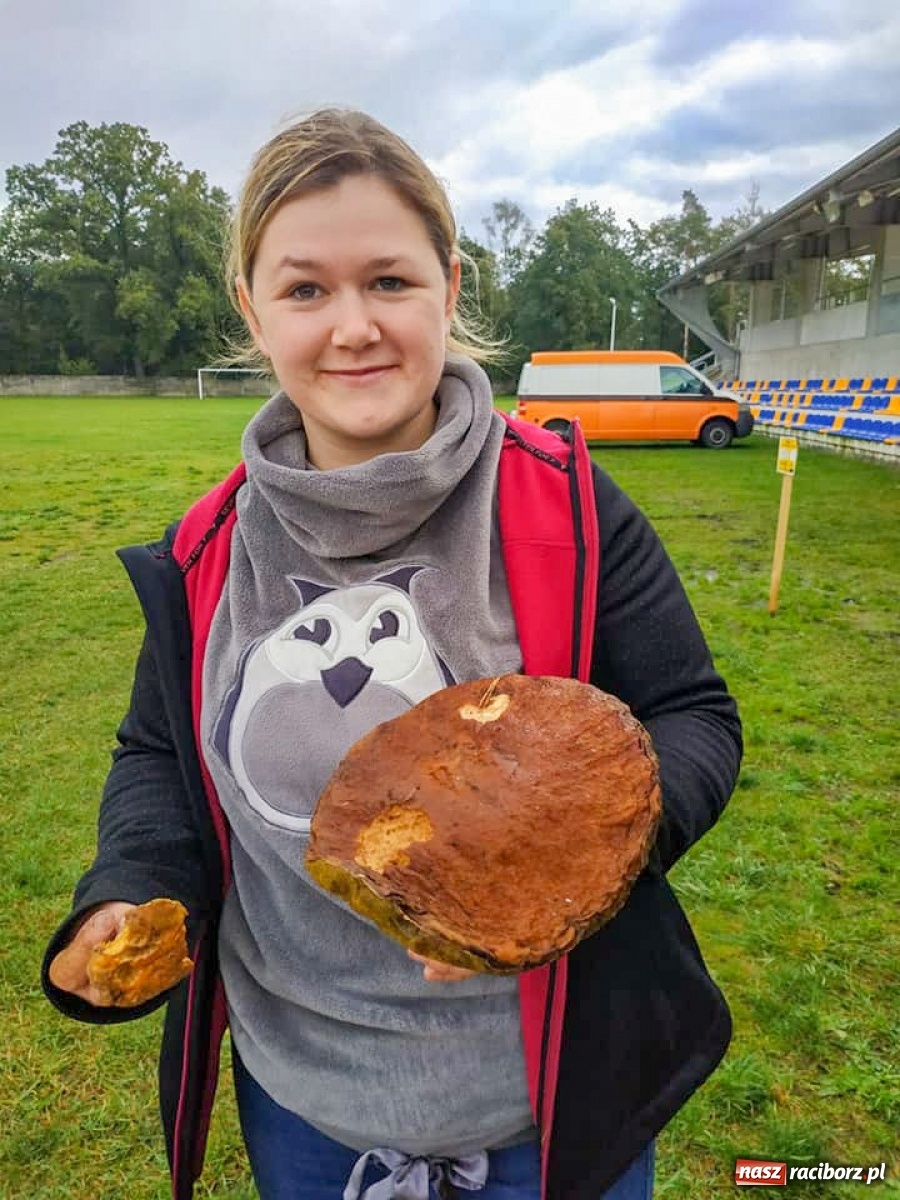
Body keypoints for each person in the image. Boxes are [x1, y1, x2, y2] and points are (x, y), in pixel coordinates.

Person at [42, 108, 742, 1200]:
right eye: (307, 289)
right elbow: (154, 757)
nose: (353, 326)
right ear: (253, 310)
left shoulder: (565, 508)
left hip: (553, 1118)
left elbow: (694, 715)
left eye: (391, 281)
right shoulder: (204, 555)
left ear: (451, 288)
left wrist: (584, 857)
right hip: (305, 1117)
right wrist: (128, 888)